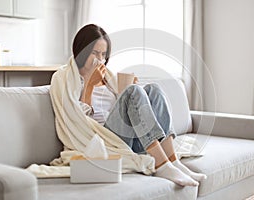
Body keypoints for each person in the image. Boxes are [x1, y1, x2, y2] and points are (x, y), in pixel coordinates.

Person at [70, 24, 206, 186]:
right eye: (94, 53)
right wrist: (90, 86)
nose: (100, 59)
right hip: (105, 141)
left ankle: (173, 161)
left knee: (154, 89)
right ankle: (162, 166)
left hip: (126, 137)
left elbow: (121, 111)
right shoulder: (69, 79)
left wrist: (127, 93)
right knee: (133, 91)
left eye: (103, 54)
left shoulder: (108, 78)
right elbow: (78, 120)